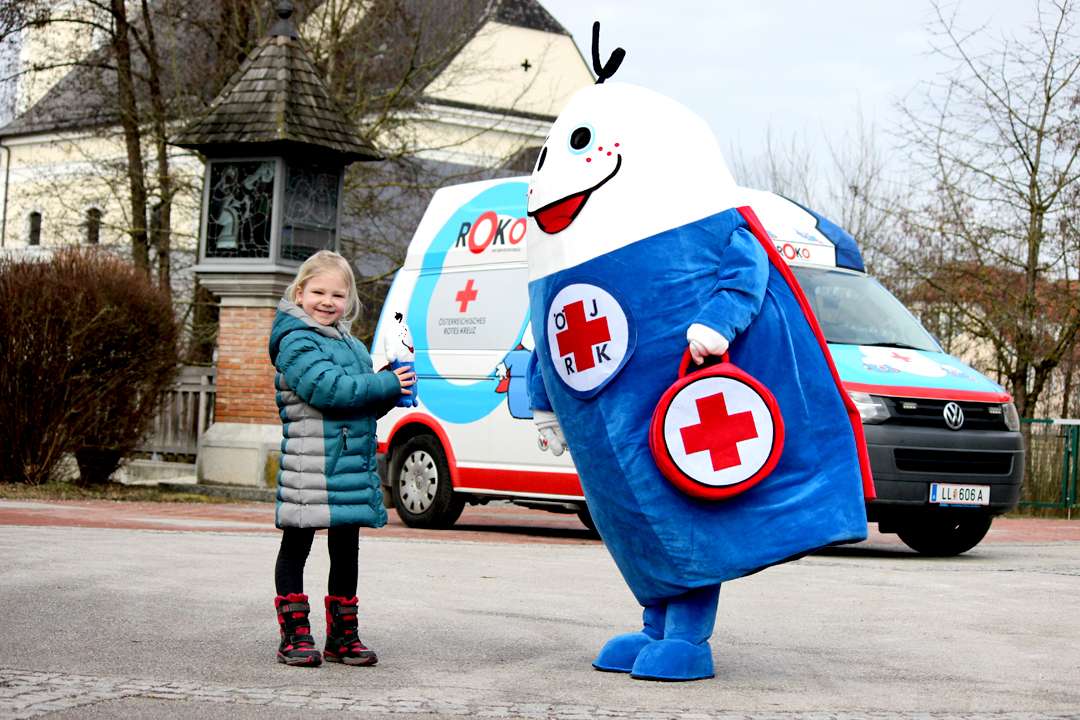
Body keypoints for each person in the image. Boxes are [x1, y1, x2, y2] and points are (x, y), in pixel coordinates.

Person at [267, 250, 414, 667]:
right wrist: (381, 383)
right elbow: (330, 391)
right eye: (318, 291)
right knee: (297, 545)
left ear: (348, 300)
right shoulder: (295, 340)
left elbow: (359, 405)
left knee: (345, 551)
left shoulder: (351, 344)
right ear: (300, 292)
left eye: (337, 294)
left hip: (347, 466)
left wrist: (391, 389)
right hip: (311, 466)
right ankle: (294, 635)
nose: (327, 301)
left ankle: (342, 636)